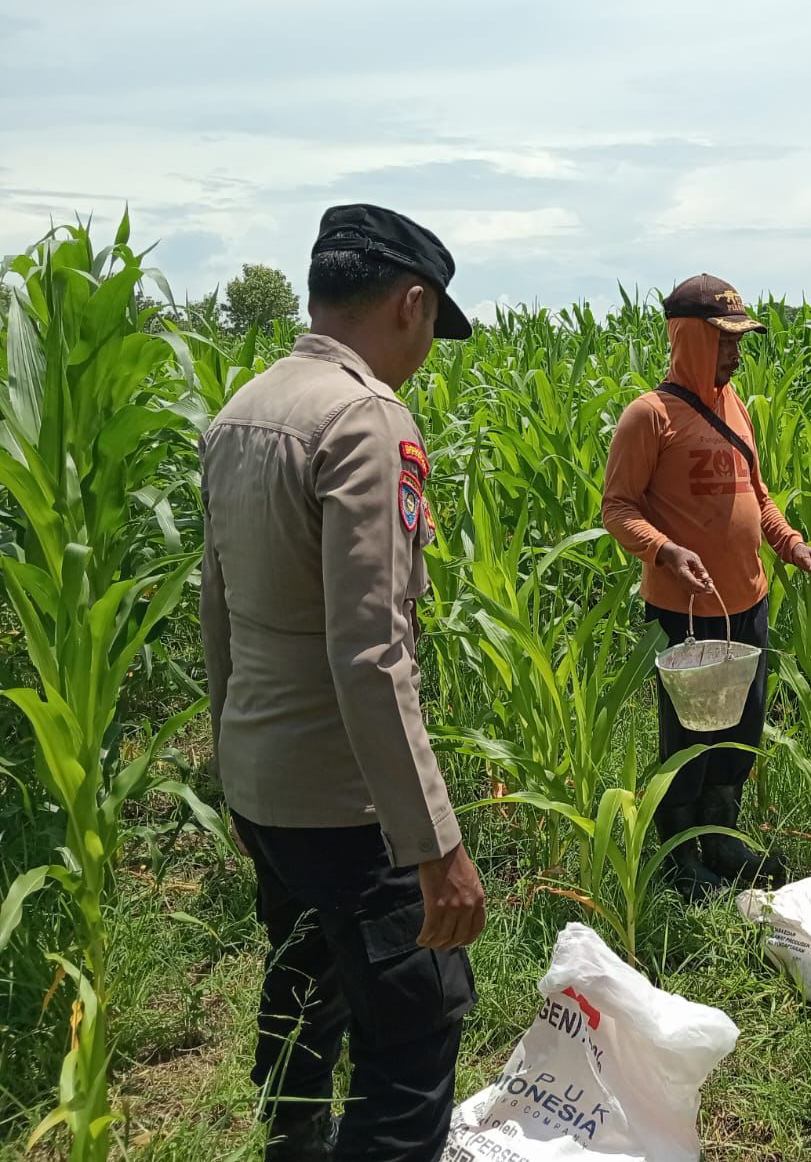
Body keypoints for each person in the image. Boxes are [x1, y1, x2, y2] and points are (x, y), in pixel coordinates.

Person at [200, 204, 486, 1161]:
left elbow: (217, 615)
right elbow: (372, 653)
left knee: (304, 985)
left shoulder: (242, 412)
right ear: (410, 303)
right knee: (415, 1025)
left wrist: (234, 765)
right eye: (431, 326)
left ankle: (293, 1146)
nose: (425, 354)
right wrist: (434, 843)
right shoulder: (364, 419)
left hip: (262, 783)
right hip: (346, 803)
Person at [601, 273, 811, 899]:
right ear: (689, 338)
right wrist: (665, 550)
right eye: (724, 340)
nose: (735, 353)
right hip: (683, 612)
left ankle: (722, 839)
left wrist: (792, 545)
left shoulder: (735, 407)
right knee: (688, 736)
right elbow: (617, 507)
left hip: (748, 600)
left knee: (742, 726)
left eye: (739, 341)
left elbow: (758, 495)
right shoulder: (650, 417)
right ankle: (679, 857)